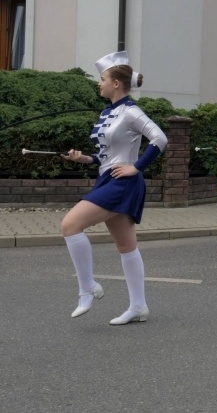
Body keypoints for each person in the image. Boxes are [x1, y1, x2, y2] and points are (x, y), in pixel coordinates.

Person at [60, 51, 167, 325]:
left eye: (103, 78)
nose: (100, 83)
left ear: (116, 83)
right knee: (125, 244)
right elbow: (109, 156)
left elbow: (159, 138)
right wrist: (85, 158)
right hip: (109, 178)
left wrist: (136, 166)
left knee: (70, 225)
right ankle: (139, 306)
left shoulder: (131, 111)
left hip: (124, 181)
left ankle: (87, 289)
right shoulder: (109, 112)